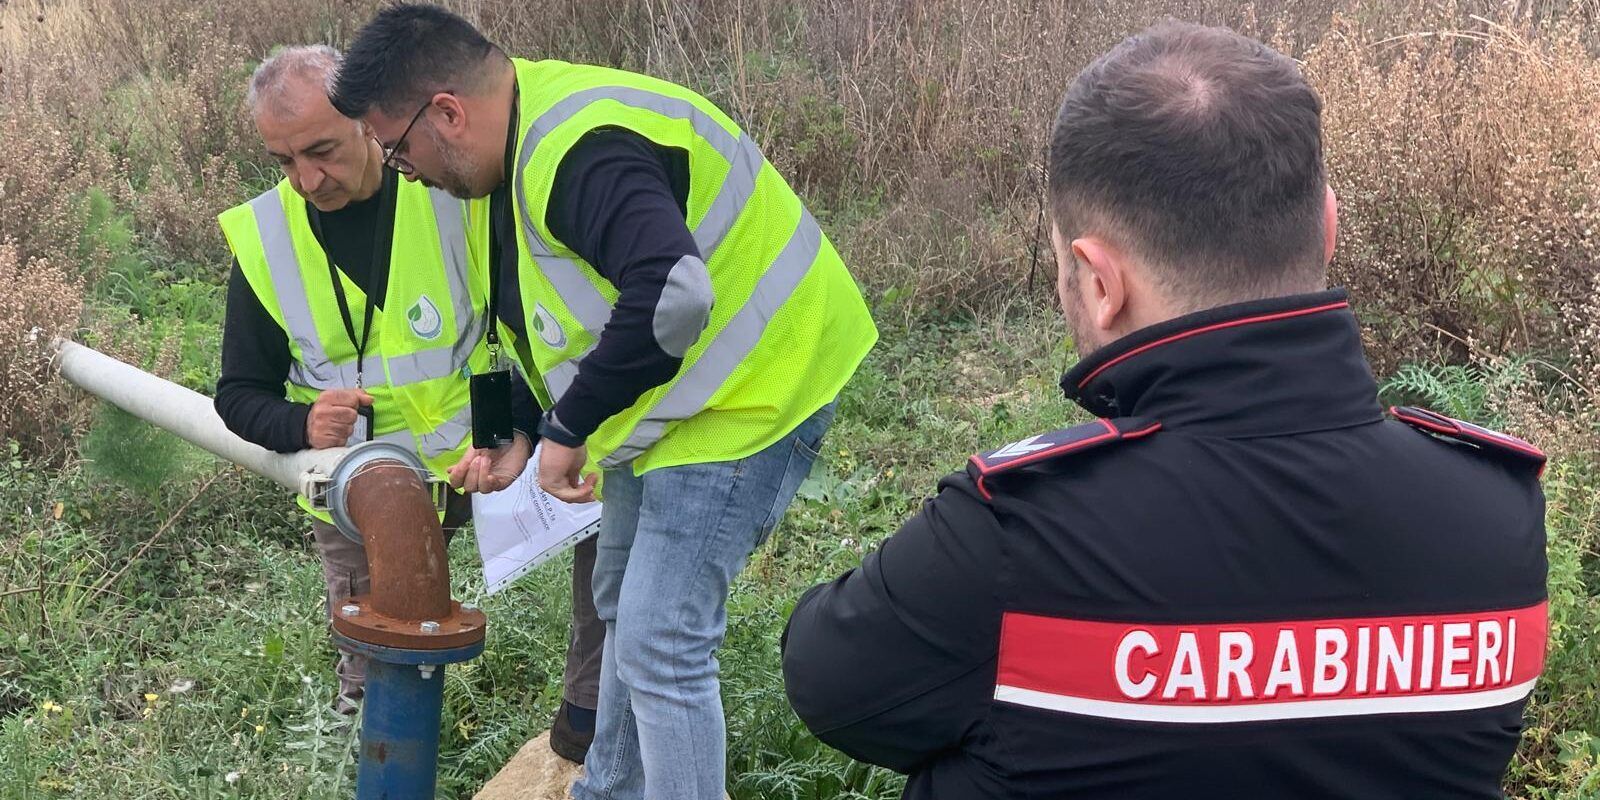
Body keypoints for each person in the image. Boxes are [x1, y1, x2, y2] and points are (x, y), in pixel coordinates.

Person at [781, 22, 1548, 800]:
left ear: (1100, 281)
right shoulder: (1498, 512)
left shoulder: (1017, 537)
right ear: (1327, 226)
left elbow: (827, 685)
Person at [329, 6, 878, 797]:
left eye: (397, 146)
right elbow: (555, 316)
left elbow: (676, 293)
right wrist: (522, 428)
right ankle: (607, 787)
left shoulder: (575, 151)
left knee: (661, 642)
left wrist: (569, 425)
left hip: (755, 390)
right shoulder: (500, 161)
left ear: (446, 112)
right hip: (672, 403)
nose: (399, 168)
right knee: (619, 594)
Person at [214, 45, 605, 763]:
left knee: (606, 522)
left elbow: (530, 330)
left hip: (483, 458)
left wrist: (518, 429)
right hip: (368, 493)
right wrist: (301, 422)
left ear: (370, 122)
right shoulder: (265, 238)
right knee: (373, 653)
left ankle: (589, 722)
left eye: (322, 150)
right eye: (284, 161)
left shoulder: (452, 189)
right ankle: (363, 757)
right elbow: (237, 396)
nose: (306, 179)